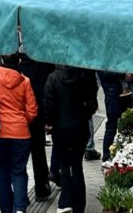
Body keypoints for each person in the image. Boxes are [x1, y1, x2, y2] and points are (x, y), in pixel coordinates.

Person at [0, 52, 38, 213]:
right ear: (18, 60)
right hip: (21, 133)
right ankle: (19, 208)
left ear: (2, 59)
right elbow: (32, 110)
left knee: (2, 172)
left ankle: (6, 209)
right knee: (19, 171)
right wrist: (21, 119)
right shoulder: (25, 81)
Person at [43, 65, 98, 213]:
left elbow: (48, 104)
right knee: (77, 166)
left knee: (64, 165)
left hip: (60, 129)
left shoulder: (53, 78)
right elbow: (92, 103)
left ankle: (66, 201)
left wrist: (49, 122)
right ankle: (79, 204)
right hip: (80, 127)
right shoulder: (84, 76)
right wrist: (83, 114)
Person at [17, 52, 54, 200]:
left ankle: (21, 195)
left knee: (21, 156)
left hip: (19, 116)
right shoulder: (45, 63)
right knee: (38, 151)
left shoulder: (18, 67)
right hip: (37, 114)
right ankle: (41, 187)